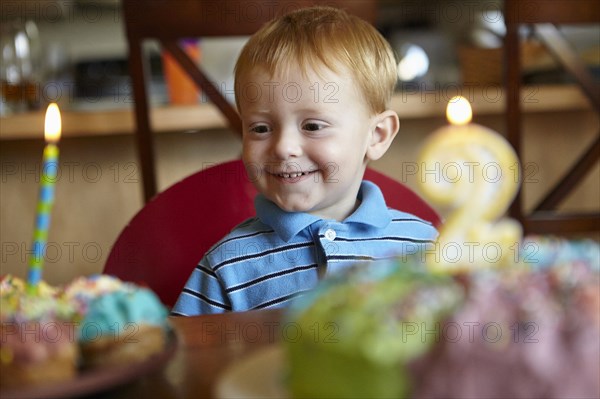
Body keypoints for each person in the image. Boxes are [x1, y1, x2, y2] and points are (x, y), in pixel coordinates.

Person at [172, 6, 438, 316]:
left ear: (377, 135)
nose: (284, 148)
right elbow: (187, 358)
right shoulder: (227, 266)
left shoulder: (425, 248)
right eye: (260, 128)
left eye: (312, 126)